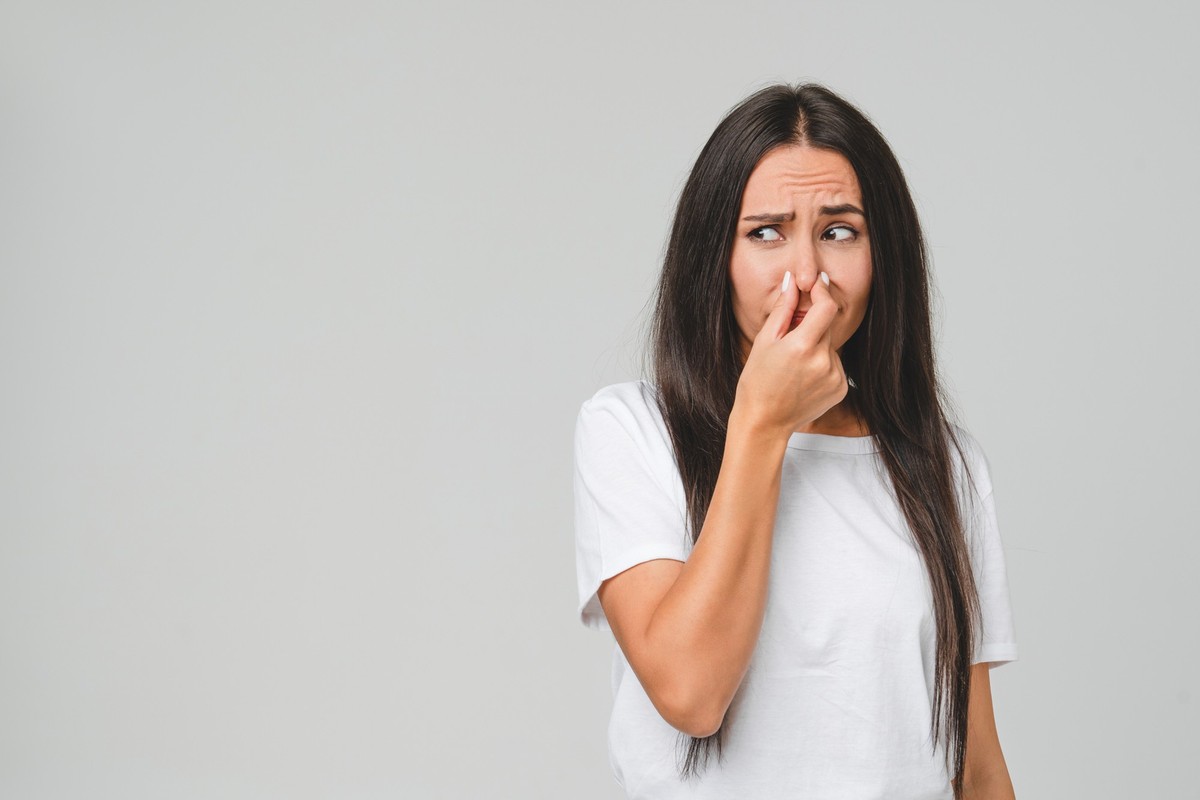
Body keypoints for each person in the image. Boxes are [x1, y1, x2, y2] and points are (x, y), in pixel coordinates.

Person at [572, 83, 1019, 799]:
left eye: (839, 231)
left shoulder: (947, 467)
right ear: (714, 257)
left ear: (884, 255)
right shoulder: (631, 432)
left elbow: (978, 764)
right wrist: (763, 421)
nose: (805, 275)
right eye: (766, 233)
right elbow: (690, 693)